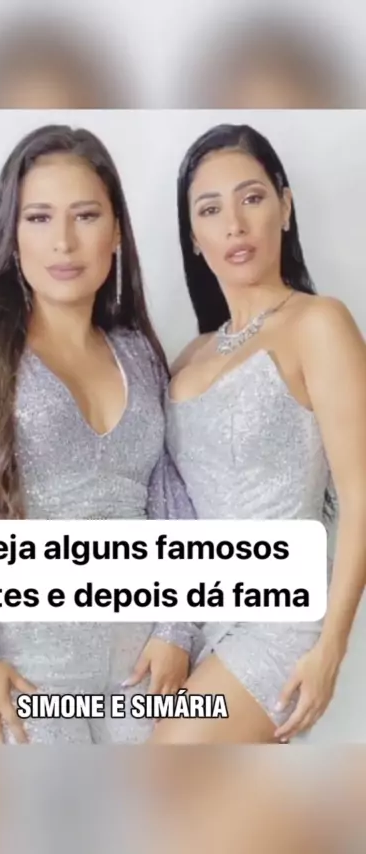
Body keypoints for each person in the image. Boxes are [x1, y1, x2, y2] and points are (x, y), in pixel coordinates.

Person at [0, 124, 198, 745]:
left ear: (116, 231)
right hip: (17, 678)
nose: (63, 241)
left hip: (139, 679)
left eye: (86, 215)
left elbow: (171, 506)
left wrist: (177, 629)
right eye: (38, 217)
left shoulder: (138, 353)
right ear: (12, 233)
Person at [151, 123, 366, 744]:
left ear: (285, 206)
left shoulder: (319, 323)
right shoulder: (187, 356)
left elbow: (361, 496)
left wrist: (330, 650)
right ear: (194, 237)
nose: (235, 226)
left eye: (251, 198)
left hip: (281, 622)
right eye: (210, 210)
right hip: (196, 621)